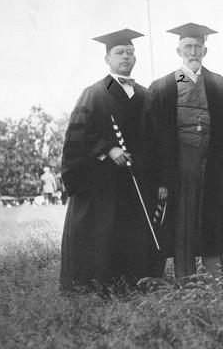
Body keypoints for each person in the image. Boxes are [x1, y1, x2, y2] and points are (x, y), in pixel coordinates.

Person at [60, 29, 167, 292]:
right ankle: (98, 287)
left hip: (139, 181)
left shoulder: (145, 95)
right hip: (104, 181)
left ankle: (134, 284)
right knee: (104, 233)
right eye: (120, 52)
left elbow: (158, 142)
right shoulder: (94, 93)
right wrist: (108, 149)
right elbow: (78, 136)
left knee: (135, 233)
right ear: (107, 58)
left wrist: (162, 178)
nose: (126, 57)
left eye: (130, 52)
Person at [149, 23, 223, 283]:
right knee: (183, 221)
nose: (193, 51)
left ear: (205, 50)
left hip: (213, 163)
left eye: (197, 46)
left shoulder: (218, 83)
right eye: (187, 46)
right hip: (180, 164)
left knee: (213, 217)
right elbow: (155, 139)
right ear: (178, 49)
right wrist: (162, 178)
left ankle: (215, 280)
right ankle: (184, 279)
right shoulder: (164, 86)